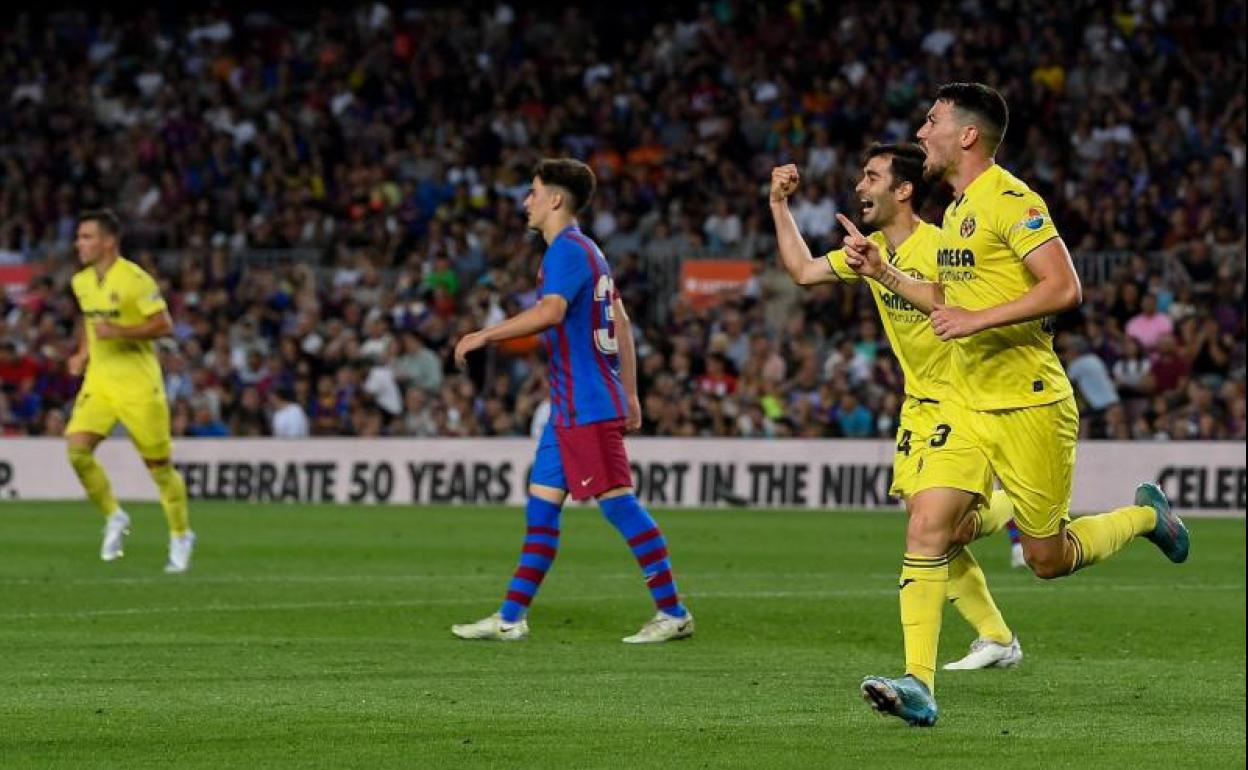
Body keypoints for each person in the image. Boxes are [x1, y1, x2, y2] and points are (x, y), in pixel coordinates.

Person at [839, 83, 1189, 726]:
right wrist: (883, 273)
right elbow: (945, 298)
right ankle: (918, 684)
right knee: (929, 528)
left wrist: (976, 321)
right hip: (966, 405)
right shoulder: (956, 212)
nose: (922, 132)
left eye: (933, 121)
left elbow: (1064, 287)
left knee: (1046, 559)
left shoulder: (1011, 199)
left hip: (1029, 404)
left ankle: (1146, 517)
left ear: (968, 135)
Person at [769, 143, 1022, 673]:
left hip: (965, 399)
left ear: (904, 190)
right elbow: (803, 271)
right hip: (918, 405)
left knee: (937, 530)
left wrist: (885, 273)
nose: (859, 186)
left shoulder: (942, 245)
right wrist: (778, 204)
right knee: (939, 531)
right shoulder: (872, 249)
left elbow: (963, 305)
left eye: (872, 177)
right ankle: (997, 635)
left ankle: (1014, 510)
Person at [450, 158, 693, 643]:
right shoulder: (590, 250)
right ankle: (510, 617)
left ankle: (673, 612)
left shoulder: (565, 250)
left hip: (586, 405)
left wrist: (485, 334)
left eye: (533, 192)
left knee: (619, 506)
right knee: (541, 510)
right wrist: (630, 392)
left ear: (556, 199)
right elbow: (621, 321)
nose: (527, 201)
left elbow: (551, 312)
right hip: (570, 408)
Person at [65, 209, 195, 573]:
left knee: (160, 469)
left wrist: (119, 332)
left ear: (108, 242)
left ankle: (181, 535)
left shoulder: (135, 280)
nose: (79, 244)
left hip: (138, 385)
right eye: (79, 237)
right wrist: (82, 353)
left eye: (87, 237)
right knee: (77, 451)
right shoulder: (81, 281)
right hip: (100, 382)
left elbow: (163, 324)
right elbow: (90, 319)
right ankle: (115, 515)